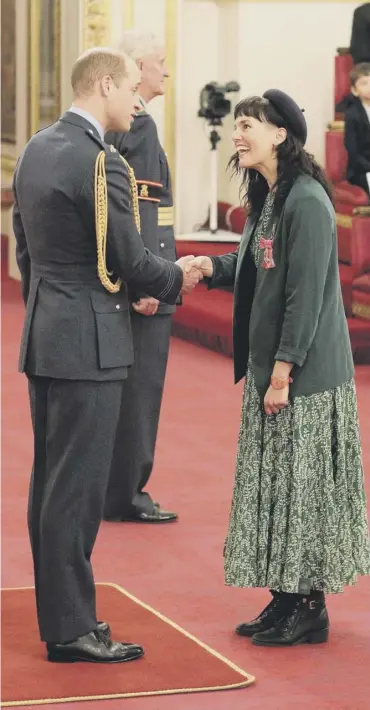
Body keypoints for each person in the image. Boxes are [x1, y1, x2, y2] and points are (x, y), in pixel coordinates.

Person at [13, 47, 201, 663]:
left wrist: (54, 307)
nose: (136, 100)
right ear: (102, 85)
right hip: (91, 345)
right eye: (129, 89)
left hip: (47, 334)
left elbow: (25, 252)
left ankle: (62, 613)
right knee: (78, 490)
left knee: (52, 483)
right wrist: (180, 276)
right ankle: (70, 628)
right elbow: (130, 259)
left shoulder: (37, 148)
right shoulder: (103, 163)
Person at [190, 90, 370, 647]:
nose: (238, 134)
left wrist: (284, 371)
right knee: (279, 487)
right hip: (274, 369)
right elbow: (256, 262)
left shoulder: (309, 201)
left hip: (305, 378)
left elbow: (306, 295)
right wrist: (210, 266)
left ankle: (310, 605)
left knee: (305, 489)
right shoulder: (272, 195)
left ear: (280, 135)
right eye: (237, 125)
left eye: (248, 125)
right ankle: (286, 596)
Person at [104, 31, 178, 524]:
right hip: (146, 277)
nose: (165, 72)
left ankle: (115, 486)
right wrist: (150, 282)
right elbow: (142, 212)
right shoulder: (141, 126)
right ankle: (127, 494)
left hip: (128, 274)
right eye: (159, 63)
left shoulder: (113, 125)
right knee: (140, 392)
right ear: (136, 67)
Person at [344, 62, 370, 196]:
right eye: (364, 83)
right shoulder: (352, 115)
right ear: (354, 90)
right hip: (362, 170)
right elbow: (354, 152)